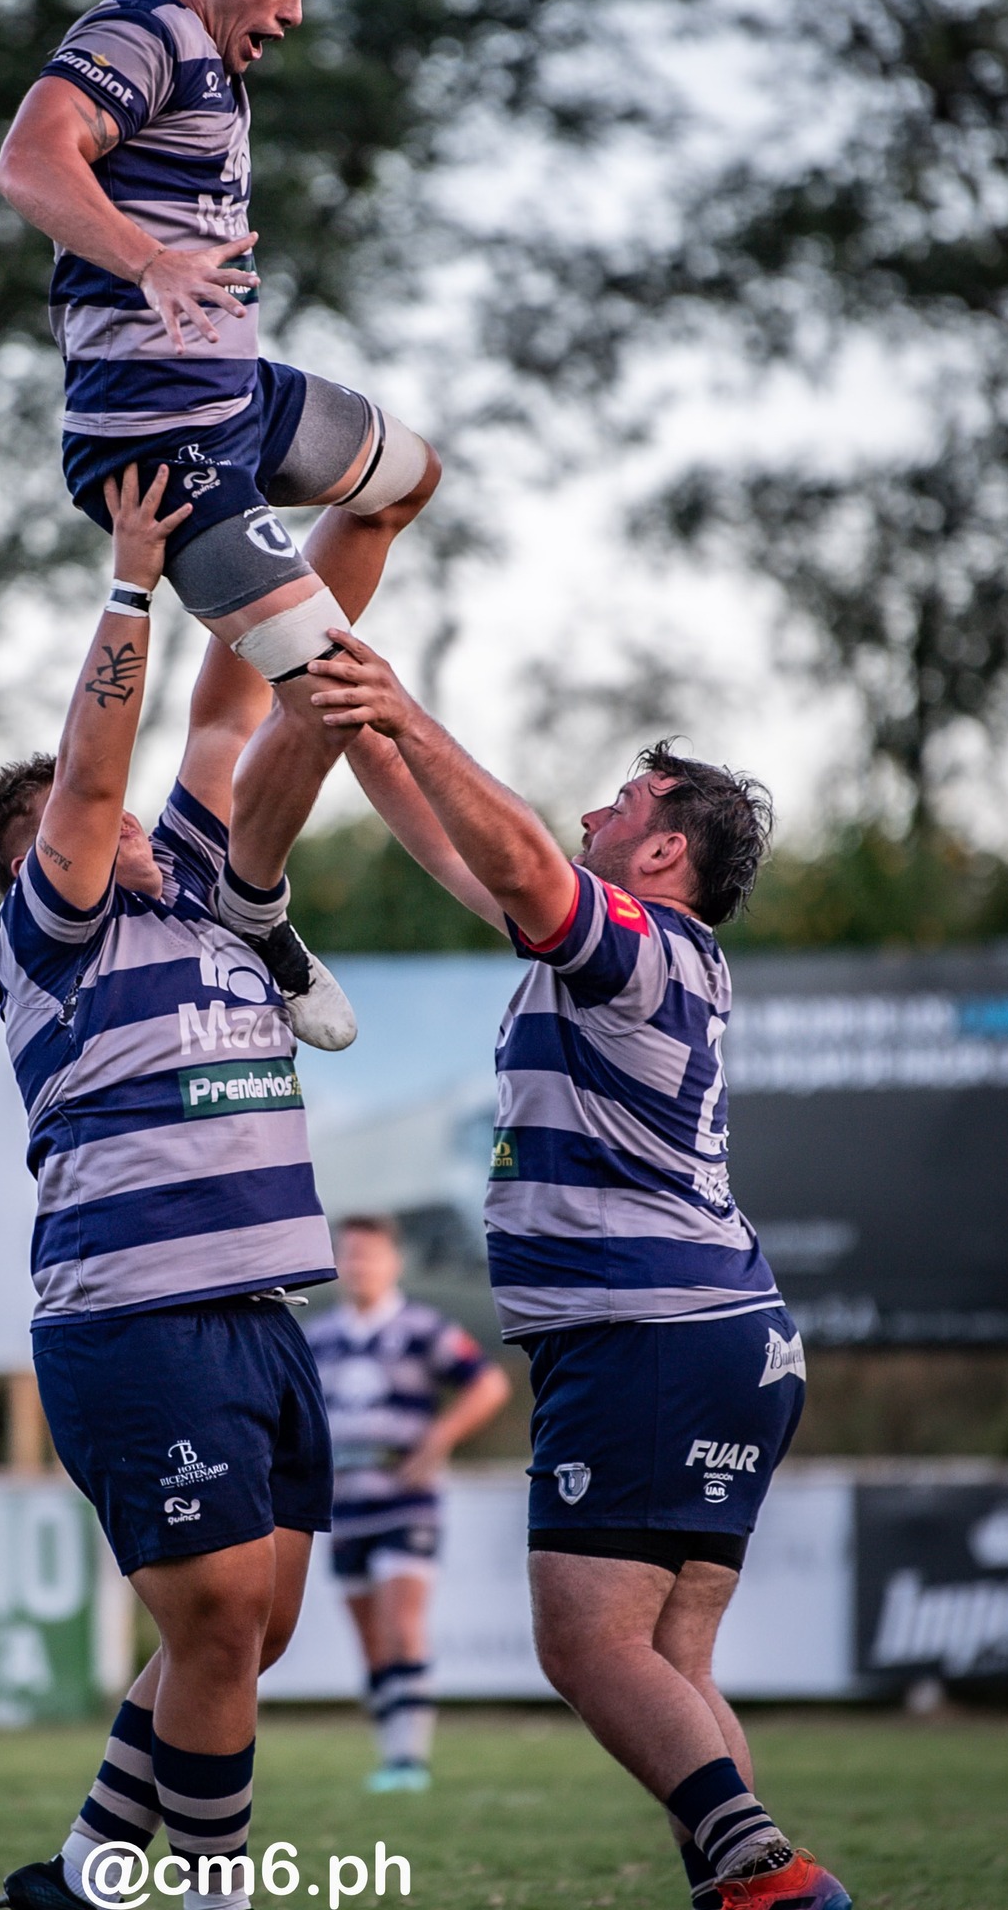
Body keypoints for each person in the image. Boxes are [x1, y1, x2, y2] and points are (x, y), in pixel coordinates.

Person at [305, 631, 852, 1910]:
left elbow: (510, 853)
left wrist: (407, 707)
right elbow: (456, 847)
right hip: (722, 1334)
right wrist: (337, 713)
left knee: (586, 1642)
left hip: (648, 1333)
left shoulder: (635, 946)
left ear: (664, 853)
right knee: (671, 1657)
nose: (599, 808)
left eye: (626, 799)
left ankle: (771, 1879)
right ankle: (741, 1885)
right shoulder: (622, 954)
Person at [0, 459, 392, 1910]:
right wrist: (134, 573)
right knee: (214, 1621)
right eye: (87, 836)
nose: (128, 830)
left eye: (135, 825)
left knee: (248, 1632)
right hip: (134, 1318)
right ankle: (206, 1893)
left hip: (257, 1313)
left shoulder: (207, 893)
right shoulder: (52, 939)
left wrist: (264, 535)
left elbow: (230, 710)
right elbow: (92, 778)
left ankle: (83, 1879)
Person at [0, 0, 443, 1046]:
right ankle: (261, 899)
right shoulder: (140, 32)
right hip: (155, 446)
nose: (292, 12)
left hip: (235, 396)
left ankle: (276, 626)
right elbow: (29, 162)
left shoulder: (212, 9)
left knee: (406, 480)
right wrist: (148, 260)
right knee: (342, 696)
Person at [304, 1213, 510, 1792]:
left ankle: (408, 1760)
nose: (359, 1265)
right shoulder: (319, 1337)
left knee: (402, 1622)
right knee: (369, 1635)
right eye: (350, 1255)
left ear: (393, 1261)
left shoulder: (422, 1327)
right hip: (344, 1504)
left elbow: (488, 1383)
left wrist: (438, 1439)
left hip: (406, 1501)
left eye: (370, 1254)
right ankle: (389, 1754)